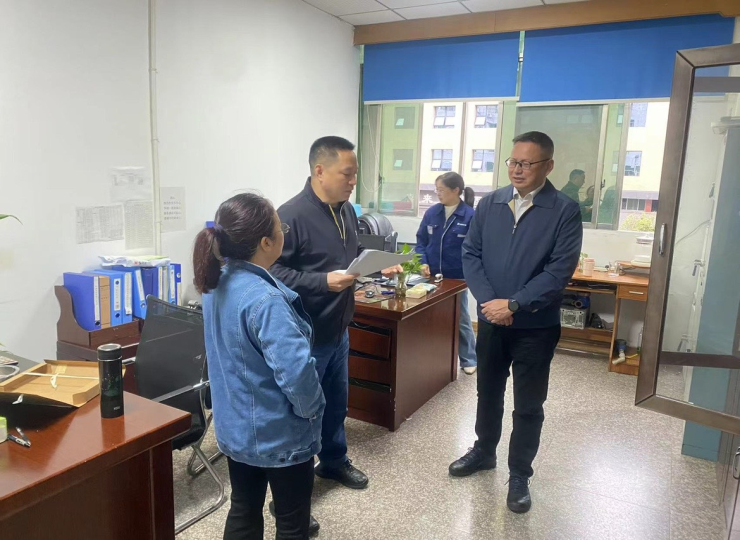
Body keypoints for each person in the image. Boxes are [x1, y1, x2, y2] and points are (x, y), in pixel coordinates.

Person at [449, 131, 582, 514]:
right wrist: (489, 302)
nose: (518, 169)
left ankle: (520, 473)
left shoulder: (564, 210)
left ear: (548, 166)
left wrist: (514, 303)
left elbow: (558, 271)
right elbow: (471, 253)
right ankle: (484, 451)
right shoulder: (490, 203)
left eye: (527, 163)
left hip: (535, 327)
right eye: (513, 162)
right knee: (487, 393)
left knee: (528, 404)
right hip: (492, 321)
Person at [194, 193, 324, 540]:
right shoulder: (267, 300)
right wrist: (313, 411)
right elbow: (296, 374)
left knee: (244, 507)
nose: (284, 233)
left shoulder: (215, 282)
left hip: (235, 426)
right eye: (281, 228)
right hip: (279, 433)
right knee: (292, 522)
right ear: (267, 242)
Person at [271, 136, 369, 490]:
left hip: (338, 328)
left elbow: (347, 255)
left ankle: (333, 461)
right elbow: (272, 273)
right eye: (347, 174)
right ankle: (293, 491)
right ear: (320, 170)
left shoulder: (346, 210)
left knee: (336, 405)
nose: (353, 181)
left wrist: (371, 265)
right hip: (306, 334)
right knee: (303, 413)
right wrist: (322, 282)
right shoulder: (290, 216)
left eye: (355, 174)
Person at [415, 172, 478, 374]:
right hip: (431, 275)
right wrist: (422, 262)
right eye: (437, 190)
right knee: (430, 316)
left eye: (441, 190)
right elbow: (421, 242)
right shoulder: (432, 213)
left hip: (457, 277)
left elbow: (475, 249)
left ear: (456, 190)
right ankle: (434, 359)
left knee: (461, 318)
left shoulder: (470, 216)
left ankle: (469, 359)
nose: (438, 193)